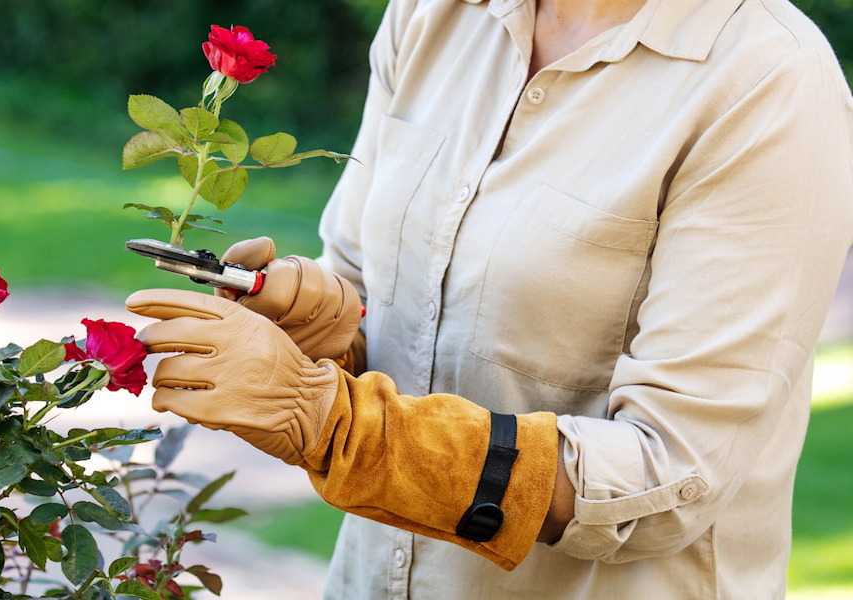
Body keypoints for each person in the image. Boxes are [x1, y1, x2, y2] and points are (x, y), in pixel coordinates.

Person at [125, 0, 853, 597]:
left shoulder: (768, 79)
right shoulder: (433, 15)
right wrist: (321, 318)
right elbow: (369, 286)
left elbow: (672, 475)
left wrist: (332, 425)